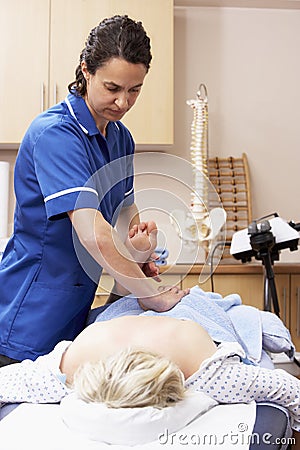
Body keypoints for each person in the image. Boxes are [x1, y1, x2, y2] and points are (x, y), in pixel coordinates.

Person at [0, 15, 187, 367]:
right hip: (26, 319)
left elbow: (124, 225)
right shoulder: (56, 134)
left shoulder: (120, 138)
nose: (123, 103)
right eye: (113, 88)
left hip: (74, 312)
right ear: (86, 71)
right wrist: (153, 296)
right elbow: (95, 236)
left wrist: (140, 250)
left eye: (135, 90)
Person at [0, 226, 300, 434]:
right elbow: (289, 389)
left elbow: (289, 391)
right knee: (147, 303)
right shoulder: (206, 372)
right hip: (183, 311)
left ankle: (133, 276)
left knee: (122, 306)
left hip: (123, 315)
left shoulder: (69, 367)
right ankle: (133, 278)